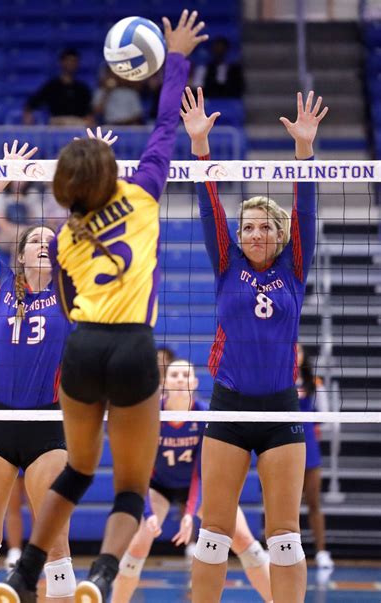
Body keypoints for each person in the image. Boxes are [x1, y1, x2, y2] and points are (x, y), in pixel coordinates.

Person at [0, 10, 208, 603]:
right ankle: (103, 577)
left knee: (76, 469)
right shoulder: (141, 194)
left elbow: (63, 301)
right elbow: (166, 122)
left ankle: (20, 574)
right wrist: (177, 55)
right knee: (130, 485)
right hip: (134, 347)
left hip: (83, 346)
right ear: (112, 173)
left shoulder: (64, 235)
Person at [181, 86, 328, 603]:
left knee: (284, 538)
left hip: (281, 408)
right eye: (248, 226)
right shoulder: (227, 262)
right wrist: (201, 146)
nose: (255, 233)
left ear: (282, 236)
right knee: (214, 533)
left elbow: (304, 203)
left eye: (266, 227)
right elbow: (209, 201)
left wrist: (303, 152)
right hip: (228, 406)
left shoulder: (294, 267)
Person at [0, 140, 79, 603]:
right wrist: (4, 176)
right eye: (35, 241)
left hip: (48, 424)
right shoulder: (0, 286)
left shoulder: (69, 296)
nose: (44, 246)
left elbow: (93, 232)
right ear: (23, 254)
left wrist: (91, 172)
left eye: (51, 243)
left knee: (57, 547)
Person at [111, 359, 273, 603]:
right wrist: (148, 513)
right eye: (174, 374)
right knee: (136, 547)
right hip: (160, 487)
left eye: (185, 375)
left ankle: (275, 599)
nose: (179, 379)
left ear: (195, 382)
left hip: (200, 486)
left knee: (245, 542)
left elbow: (200, 473)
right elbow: (139, 470)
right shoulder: (151, 416)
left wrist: (190, 513)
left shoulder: (204, 415)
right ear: (164, 382)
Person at [296, 344, 334, 570]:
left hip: (309, 444)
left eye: (298, 352)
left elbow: (324, 415)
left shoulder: (314, 383)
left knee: (313, 502)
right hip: (283, 443)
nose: (294, 355)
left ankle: (321, 552)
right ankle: (280, 549)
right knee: (284, 504)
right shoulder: (276, 381)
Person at [23, 48, 93, 126]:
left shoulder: (82, 88)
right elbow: (32, 103)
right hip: (57, 123)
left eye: (73, 61)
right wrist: (28, 114)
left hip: (77, 123)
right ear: (62, 62)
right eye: (68, 60)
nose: (70, 64)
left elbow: (89, 112)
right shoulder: (51, 86)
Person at [3, 471, 31, 568]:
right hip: (12, 460)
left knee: (38, 510)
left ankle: (40, 552)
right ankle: (14, 551)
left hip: (36, 459)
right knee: (12, 507)